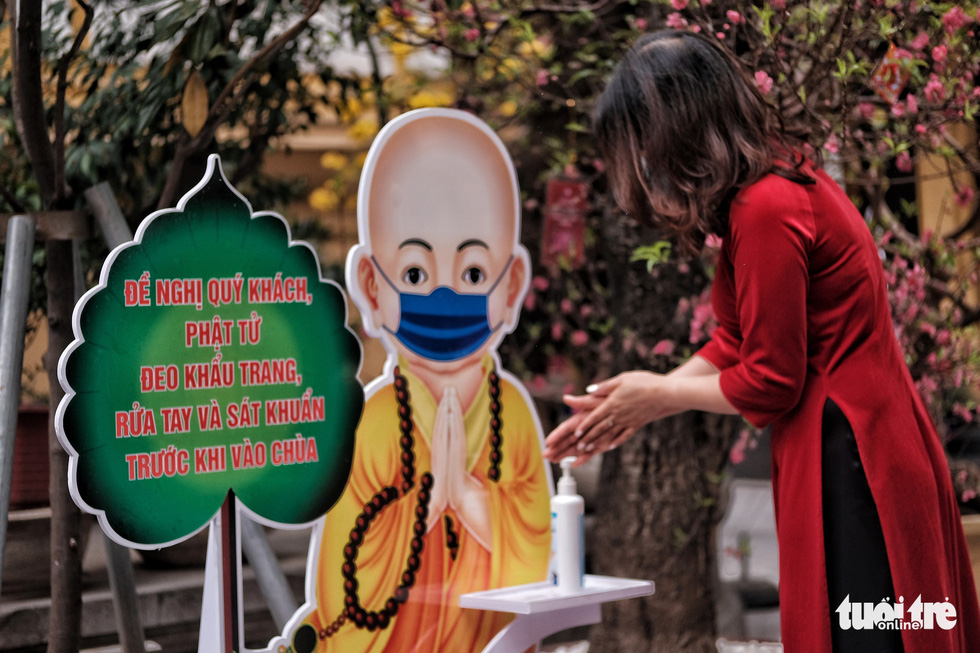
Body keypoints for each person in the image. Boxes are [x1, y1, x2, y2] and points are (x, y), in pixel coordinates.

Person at [543, 30, 980, 652]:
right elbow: (735, 341)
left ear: (675, 132)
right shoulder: (768, 190)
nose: (640, 170)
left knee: (867, 632)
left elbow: (773, 380)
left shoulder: (765, 209)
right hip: (851, 444)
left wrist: (659, 395)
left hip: (853, 460)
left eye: (641, 149)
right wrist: (634, 401)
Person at [285, 108, 551, 653]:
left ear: (512, 283)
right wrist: (426, 505)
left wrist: (473, 499)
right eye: (413, 274)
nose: (445, 295)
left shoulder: (513, 414)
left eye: (475, 273)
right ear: (371, 286)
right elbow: (344, 590)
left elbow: (537, 547)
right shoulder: (375, 422)